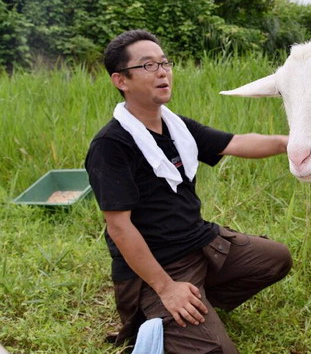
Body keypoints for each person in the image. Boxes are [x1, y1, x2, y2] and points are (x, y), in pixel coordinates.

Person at [85, 29, 292, 354]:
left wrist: (290, 144)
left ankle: (198, 303)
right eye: (148, 65)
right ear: (121, 80)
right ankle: (159, 311)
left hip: (200, 241)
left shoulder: (177, 127)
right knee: (218, 352)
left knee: (276, 259)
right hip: (160, 264)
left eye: (164, 62)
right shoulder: (111, 145)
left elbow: (236, 142)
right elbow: (119, 228)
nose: (163, 71)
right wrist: (167, 288)